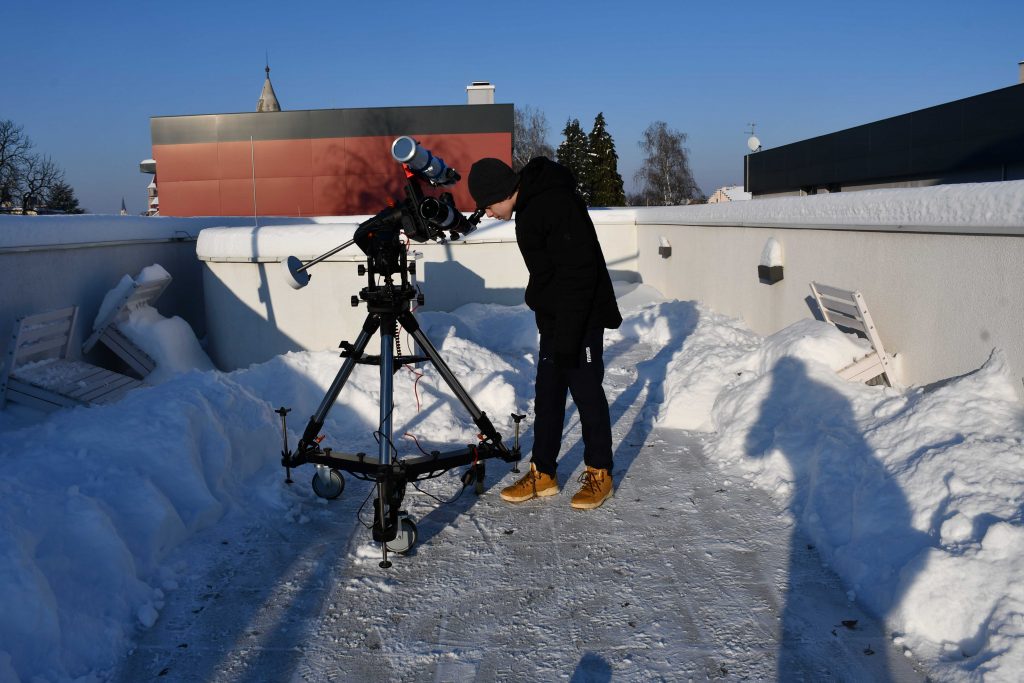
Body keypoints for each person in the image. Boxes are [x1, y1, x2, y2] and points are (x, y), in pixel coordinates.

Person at [468, 156, 622, 510]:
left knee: (587, 394)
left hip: (580, 317)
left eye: (488, 206)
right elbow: (550, 273)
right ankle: (545, 473)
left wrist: (568, 335)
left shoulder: (554, 203)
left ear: (503, 192)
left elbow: (579, 274)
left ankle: (600, 473)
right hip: (556, 317)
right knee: (548, 394)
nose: (488, 214)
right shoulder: (531, 207)